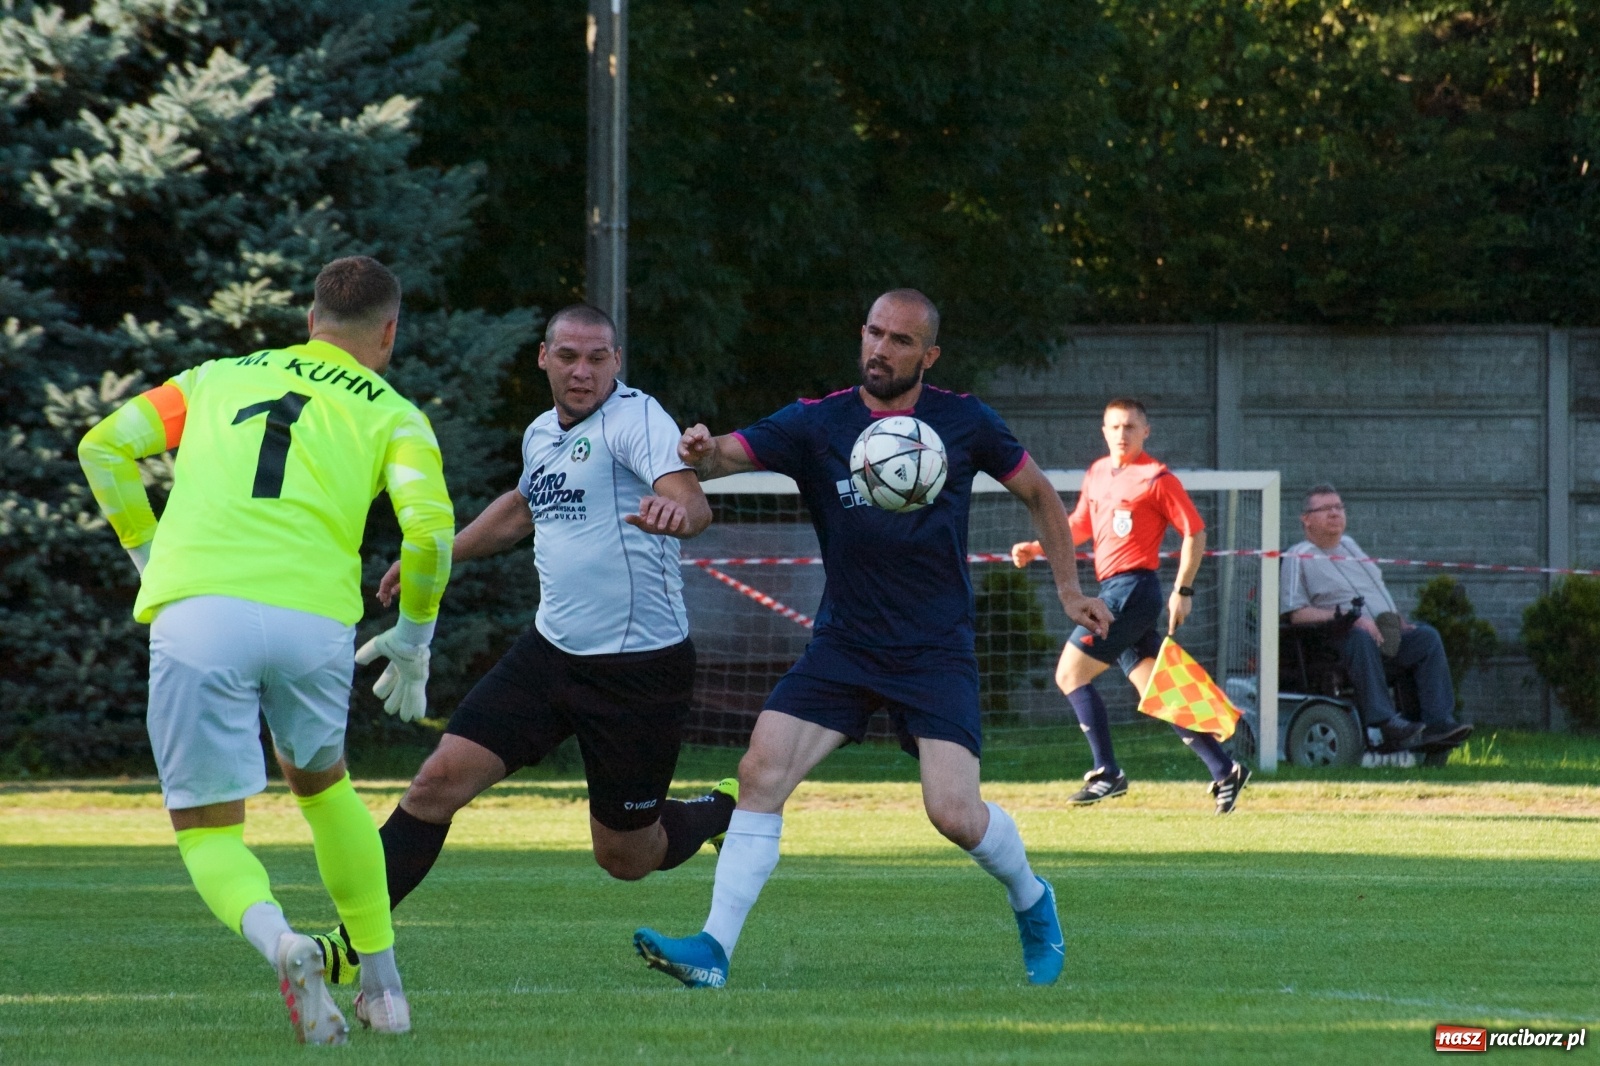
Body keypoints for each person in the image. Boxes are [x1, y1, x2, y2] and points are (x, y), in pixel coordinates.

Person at [630, 289, 1114, 990]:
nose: (881, 350)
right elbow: (727, 457)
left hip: (935, 649)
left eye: (900, 341)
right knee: (760, 772)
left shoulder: (964, 420)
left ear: (929, 355)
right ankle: (712, 950)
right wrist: (702, 451)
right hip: (846, 644)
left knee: (953, 813)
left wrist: (1070, 590)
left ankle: (1034, 901)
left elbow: (1039, 493)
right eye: (874, 334)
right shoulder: (817, 423)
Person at [77, 256, 453, 1043]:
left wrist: (150, 556)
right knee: (324, 792)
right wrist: (412, 642)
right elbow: (429, 534)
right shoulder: (395, 413)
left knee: (210, 829)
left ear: (310, 320)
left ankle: (281, 942)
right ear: (387, 334)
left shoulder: (214, 377)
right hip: (311, 620)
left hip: (199, 615)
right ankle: (384, 994)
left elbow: (104, 448)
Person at [310, 303, 737, 986]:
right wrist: (437, 555)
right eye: (568, 355)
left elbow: (693, 504)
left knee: (626, 858)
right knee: (434, 784)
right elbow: (519, 510)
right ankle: (352, 942)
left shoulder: (636, 419)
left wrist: (674, 513)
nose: (582, 370)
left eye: (598, 357)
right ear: (544, 357)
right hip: (550, 654)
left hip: (638, 672)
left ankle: (721, 810)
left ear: (616, 362)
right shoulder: (543, 432)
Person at [1012, 398, 1251, 814]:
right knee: (1159, 688)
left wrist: (1184, 590)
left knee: (1070, 672)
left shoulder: (1157, 478)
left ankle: (1107, 773)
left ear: (1146, 432)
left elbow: (1194, 532)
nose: (1122, 434)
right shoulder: (1098, 473)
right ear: (1104, 432)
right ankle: (1225, 770)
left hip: (1131, 591)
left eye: (1130, 427)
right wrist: (1037, 547)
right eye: (1115, 427)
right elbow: (1079, 525)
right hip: (1116, 590)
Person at [1282, 484, 1473, 752]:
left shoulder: (1350, 545)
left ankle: (1438, 724)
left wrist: (1397, 619)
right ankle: (1386, 722)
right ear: (1306, 519)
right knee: (1359, 635)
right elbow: (1296, 613)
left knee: (1426, 637)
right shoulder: (1297, 555)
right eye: (1325, 509)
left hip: (1383, 634)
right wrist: (1349, 617)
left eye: (1338, 507)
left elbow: (1374, 591)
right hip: (1334, 639)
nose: (1335, 513)